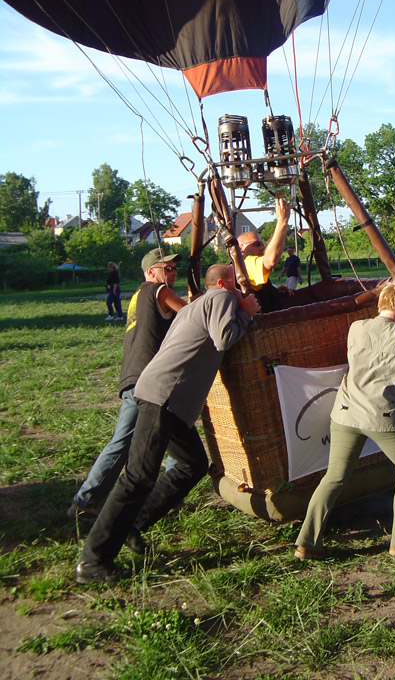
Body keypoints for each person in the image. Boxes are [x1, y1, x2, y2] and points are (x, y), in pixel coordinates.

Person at [75, 263, 260, 584]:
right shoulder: (222, 298)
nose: (241, 285)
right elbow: (224, 337)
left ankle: (135, 523)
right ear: (221, 282)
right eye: (235, 281)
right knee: (138, 477)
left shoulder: (197, 305)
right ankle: (93, 560)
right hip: (165, 396)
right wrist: (246, 311)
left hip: (167, 398)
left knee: (192, 464)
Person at [294, 281, 395, 560]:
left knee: (334, 477)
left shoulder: (356, 327)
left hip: (347, 412)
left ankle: (307, 541)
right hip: (383, 415)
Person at [68, 248, 186, 520]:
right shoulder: (157, 291)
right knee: (146, 440)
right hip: (150, 382)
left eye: (173, 268)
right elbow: (193, 314)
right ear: (150, 272)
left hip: (139, 378)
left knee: (158, 438)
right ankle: (89, 501)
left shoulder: (138, 297)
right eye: (166, 268)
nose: (173, 272)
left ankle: (89, 501)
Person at [237, 196, 291, 312]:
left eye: (262, 244)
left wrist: (274, 291)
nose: (262, 248)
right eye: (256, 244)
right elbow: (270, 261)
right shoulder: (246, 263)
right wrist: (282, 221)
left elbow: (258, 289)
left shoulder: (247, 267)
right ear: (241, 248)